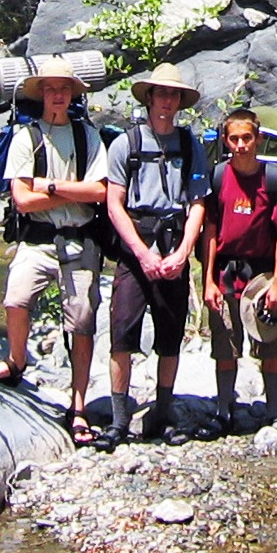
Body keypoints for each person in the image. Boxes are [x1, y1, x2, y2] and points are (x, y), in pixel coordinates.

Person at [0, 58, 108, 447]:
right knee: (16, 297)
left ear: (72, 95)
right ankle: (17, 361)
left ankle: (79, 405)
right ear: (42, 95)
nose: (57, 96)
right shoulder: (26, 137)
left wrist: (49, 187)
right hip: (37, 240)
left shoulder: (88, 137)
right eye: (50, 90)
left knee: (82, 321)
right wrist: (71, 189)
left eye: (63, 89)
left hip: (80, 239)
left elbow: (100, 191)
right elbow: (21, 199)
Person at [93, 63, 208, 450]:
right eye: (161, 94)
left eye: (173, 95)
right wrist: (141, 254)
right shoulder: (126, 144)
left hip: (174, 243)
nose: (167, 101)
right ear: (148, 98)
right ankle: (120, 419)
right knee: (122, 332)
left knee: (170, 335)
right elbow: (114, 204)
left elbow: (197, 204)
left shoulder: (190, 144)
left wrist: (183, 253)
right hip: (135, 245)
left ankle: (164, 411)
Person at [201, 108, 277, 431]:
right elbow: (210, 231)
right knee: (225, 346)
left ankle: (273, 411)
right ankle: (224, 410)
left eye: (247, 138)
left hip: (263, 275)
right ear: (226, 141)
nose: (241, 145)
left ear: (258, 139)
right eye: (234, 139)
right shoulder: (218, 178)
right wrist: (208, 282)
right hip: (226, 273)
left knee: (270, 346)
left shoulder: (274, 180)